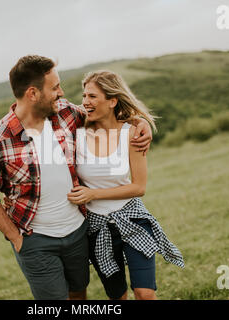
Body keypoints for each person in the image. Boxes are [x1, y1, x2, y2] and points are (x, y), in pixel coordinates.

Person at [0, 55, 153, 300]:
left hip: (78, 231)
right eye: (55, 87)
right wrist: (16, 238)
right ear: (33, 94)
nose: (61, 92)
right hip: (35, 240)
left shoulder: (66, 114)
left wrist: (139, 122)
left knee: (79, 295)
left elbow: (106, 116)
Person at [67, 70, 184, 300]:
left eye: (92, 96)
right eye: (84, 96)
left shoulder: (131, 134)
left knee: (144, 293)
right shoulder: (76, 136)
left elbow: (139, 187)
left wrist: (93, 193)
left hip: (132, 219)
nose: (85, 102)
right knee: (118, 298)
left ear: (112, 101)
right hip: (97, 229)